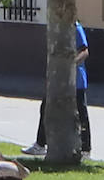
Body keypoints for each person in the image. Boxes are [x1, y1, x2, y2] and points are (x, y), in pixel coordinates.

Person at [23, 21, 91, 156]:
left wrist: (70, 64)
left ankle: (85, 148)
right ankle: (40, 144)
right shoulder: (58, 27)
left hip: (76, 81)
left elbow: (85, 51)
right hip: (57, 80)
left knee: (81, 113)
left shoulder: (75, 27)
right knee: (45, 107)